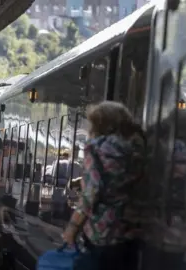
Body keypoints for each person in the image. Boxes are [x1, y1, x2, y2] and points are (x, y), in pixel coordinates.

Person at [61, 101, 145, 270]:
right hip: (131, 231)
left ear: (99, 124)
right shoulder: (136, 148)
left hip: (102, 232)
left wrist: (73, 227)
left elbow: (92, 190)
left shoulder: (96, 148)